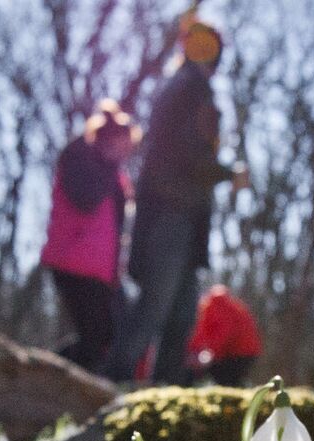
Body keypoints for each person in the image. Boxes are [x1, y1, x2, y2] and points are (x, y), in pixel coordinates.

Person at [103, 16, 248, 385]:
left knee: (181, 316)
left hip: (184, 218)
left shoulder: (184, 88)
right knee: (154, 308)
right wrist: (228, 173)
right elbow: (188, 154)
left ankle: (162, 395)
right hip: (171, 216)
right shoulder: (189, 89)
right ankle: (110, 387)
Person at [39, 100, 139, 373]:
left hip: (101, 271)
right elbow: (84, 198)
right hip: (73, 262)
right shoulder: (80, 154)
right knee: (94, 338)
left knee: (108, 337)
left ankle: (51, 373)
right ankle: (42, 374)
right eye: (123, 144)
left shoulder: (114, 173)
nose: (126, 152)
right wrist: (107, 164)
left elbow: (117, 229)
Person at [186, 284, 261, 386]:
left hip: (236, 353)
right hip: (249, 352)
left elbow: (223, 333)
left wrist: (210, 354)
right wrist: (194, 349)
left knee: (226, 380)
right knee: (233, 381)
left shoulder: (215, 307)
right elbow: (203, 333)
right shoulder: (234, 306)